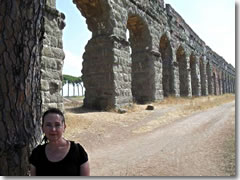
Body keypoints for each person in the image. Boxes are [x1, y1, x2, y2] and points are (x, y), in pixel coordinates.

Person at [29, 108, 90, 176]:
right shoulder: (37, 154)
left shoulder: (78, 152)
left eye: (57, 125)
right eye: (48, 125)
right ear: (42, 128)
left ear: (64, 127)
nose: (53, 129)